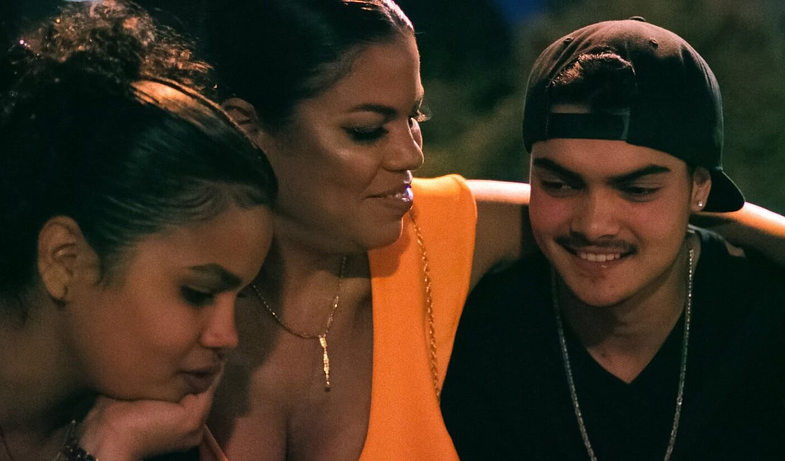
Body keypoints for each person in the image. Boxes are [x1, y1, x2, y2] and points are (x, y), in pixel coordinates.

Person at [191, 2, 785, 460]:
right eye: (368, 130)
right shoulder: (162, 266)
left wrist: (702, 205)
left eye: (416, 116)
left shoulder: (427, 230)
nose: (412, 154)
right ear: (247, 127)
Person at [441, 17, 785, 460]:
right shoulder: (480, 336)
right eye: (559, 185)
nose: (594, 225)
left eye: (637, 190)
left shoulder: (765, 324)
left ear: (699, 188)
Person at [0, 1, 276, 459]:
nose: (228, 337)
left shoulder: (160, 428)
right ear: (65, 260)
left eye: (240, 295)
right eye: (196, 293)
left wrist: (113, 444)